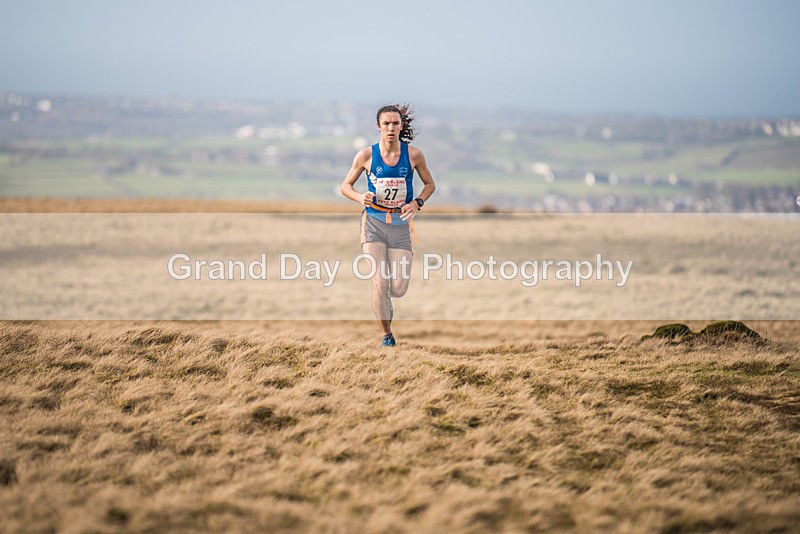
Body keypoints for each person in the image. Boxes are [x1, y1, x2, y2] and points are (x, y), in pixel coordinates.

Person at [340, 104, 436, 347]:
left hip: (400, 226)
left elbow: (430, 184)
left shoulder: (414, 155)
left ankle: (385, 300)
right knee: (380, 282)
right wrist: (360, 197)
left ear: (401, 125)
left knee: (399, 288)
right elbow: (345, 186)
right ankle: (387, 336)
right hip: (373, 222)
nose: (391, 128)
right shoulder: (366, 156)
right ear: (378, 126)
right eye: (386, 123)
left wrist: (416, 203)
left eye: (395, 123)